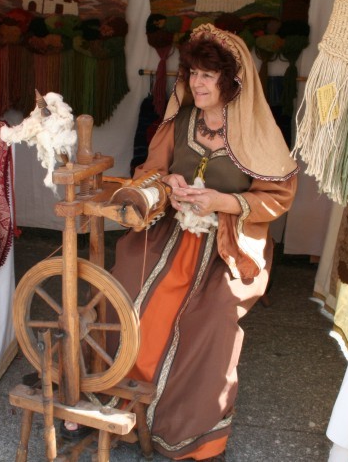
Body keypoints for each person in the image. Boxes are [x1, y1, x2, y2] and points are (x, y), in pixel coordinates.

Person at [108, 23, 299, 461]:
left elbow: (279, 196)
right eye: (192, 72)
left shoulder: (255, 131)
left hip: (226, 243)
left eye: (208, 75)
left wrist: (224, 201)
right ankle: (117, 398)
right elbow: (148, 171)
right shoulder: (181, 121)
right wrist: (168, 182)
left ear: (232, 81)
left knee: (212, 316)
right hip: (170, 231)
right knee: (127, 283)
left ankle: (185, 428)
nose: (196, 82)